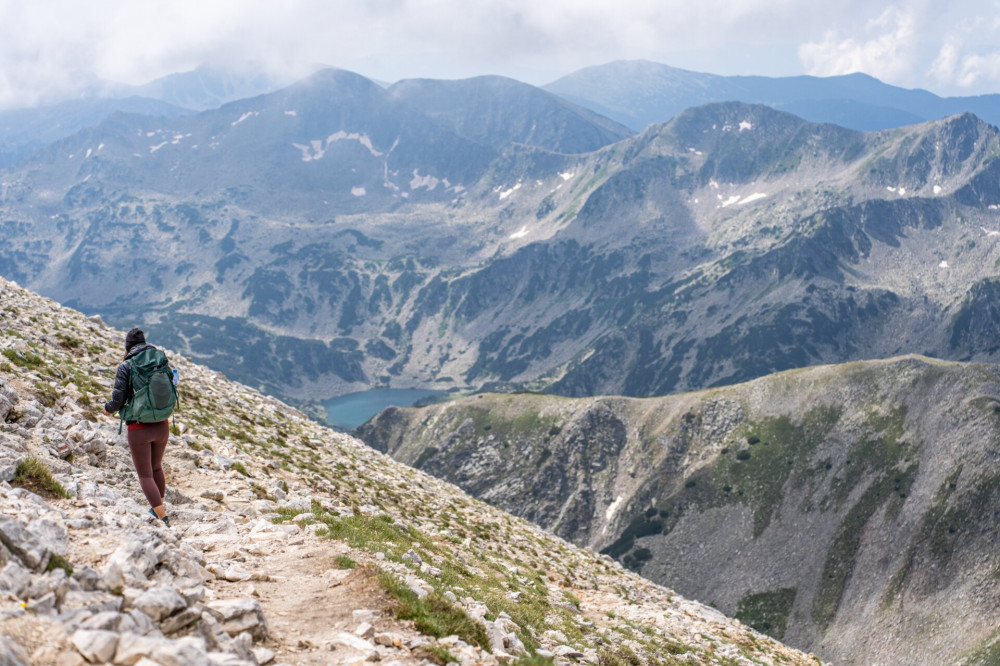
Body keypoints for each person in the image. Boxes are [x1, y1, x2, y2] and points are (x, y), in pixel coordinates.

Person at [104, 327, 172, 527]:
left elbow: (118, 399)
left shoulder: (126, 366)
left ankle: (161, 517)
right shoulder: (159, 359)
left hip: (139, 428)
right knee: (157, 467)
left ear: (129, 347)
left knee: (144, 474)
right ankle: (158, 507)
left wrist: (107, 408)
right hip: (162, 424)